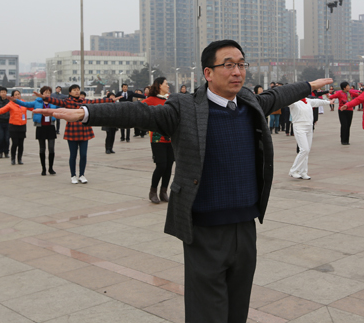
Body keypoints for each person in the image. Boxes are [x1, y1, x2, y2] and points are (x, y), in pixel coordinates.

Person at [35, 39, 332, 323]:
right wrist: (86, 112)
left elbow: (278, 96)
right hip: (205, 228)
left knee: (238, 306)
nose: (237, 72)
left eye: (242, 64)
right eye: (229, 65)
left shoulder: (249, 102)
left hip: (245, 225)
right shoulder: (185, 108)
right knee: (207, 311)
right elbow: (138, 113)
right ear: (208, 73)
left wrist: (308, 86)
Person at [38, 84, 116, 184]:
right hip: (72, 131)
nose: (77, 91)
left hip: (84, 131)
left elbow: (96, 101)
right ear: (70, 92)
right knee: (73, 155)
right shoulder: (67, 102)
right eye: (74, 90)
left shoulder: (84, 101)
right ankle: (73, 175)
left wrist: (111, 100)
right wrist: (45, 97)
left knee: (83, 155)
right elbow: (56, 101)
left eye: (78, 90)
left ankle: (82, 175)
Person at [142, 77, 175, 204]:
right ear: (160, 85)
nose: (168, 86)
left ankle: (164, 191)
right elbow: (139, 111)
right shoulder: (150, 100)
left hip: (171, 138)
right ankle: (153, 191)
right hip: (157, 138)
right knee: (161, 165)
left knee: (169, 165)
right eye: (166, 84)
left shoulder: (170, 99)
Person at [13, 86, 58, 175]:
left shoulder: (53, 102)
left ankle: (51, 168)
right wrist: (15, 100)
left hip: (51, 127)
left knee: (51, 149)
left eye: (49, 93)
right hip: (41, 127)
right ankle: (43, 169)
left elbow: (63, 105)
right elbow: (26, 104)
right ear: (41, 94)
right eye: (45, 92)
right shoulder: (37, 102)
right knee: (42, 149)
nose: (47, 94)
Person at [288, 95, 333, 180]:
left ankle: (303, 172)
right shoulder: (293, 102)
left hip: (309, 127)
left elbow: (318, 101)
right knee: (304, 149)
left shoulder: (308, 100)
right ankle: (293, 171)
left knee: (307, 151)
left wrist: (328, 102)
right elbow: (285, 102)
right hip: (299, 126)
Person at [0, 89, 32, 165]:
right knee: (15, 143)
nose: (18, 96)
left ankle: (19, 159)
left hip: (22, 126)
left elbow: (32, 108)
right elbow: (1, 110)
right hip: (13, 126)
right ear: (13, 96)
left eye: (18, 94)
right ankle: (13, 159)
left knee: (21, 144)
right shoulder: (10, 104)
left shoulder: (23, 103)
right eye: (16, 94)